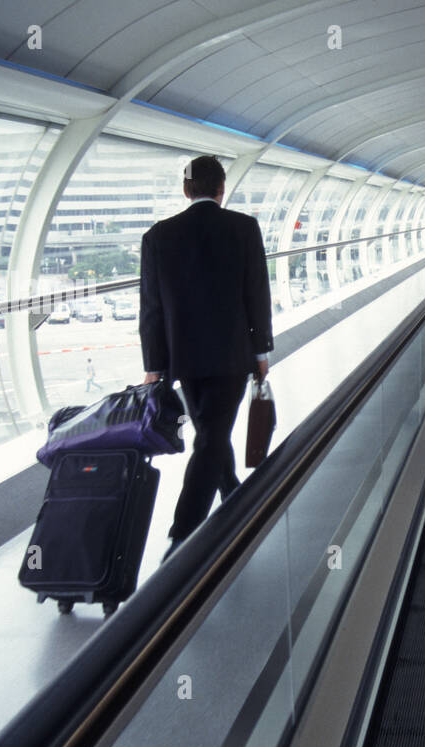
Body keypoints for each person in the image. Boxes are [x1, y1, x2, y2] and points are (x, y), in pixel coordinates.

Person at [139, 155, 272, 561]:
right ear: (221, 189)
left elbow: (151, 308)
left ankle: (233, 497)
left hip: (184, 359)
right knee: (213, 436)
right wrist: (261, 349)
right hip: (233, 355)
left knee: (210, 433)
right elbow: (257, 293)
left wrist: (154, 366)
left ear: (185, 190)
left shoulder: (158, 237)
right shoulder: (243, 228)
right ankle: (183, 535)